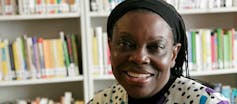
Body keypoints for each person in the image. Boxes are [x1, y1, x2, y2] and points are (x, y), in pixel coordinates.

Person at [88, 0, 230, 104]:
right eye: (126, 44)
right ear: (110, 47)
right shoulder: (101, 101)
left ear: (173, 54)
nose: (140, 58)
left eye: (155, 47)